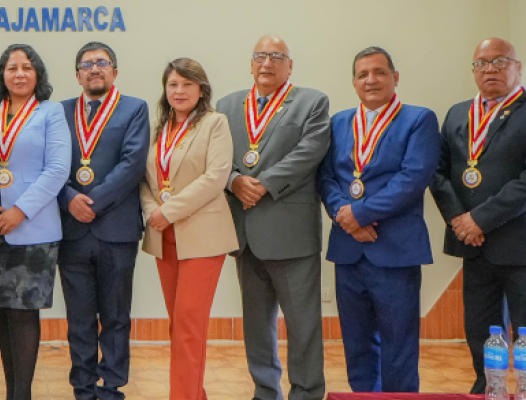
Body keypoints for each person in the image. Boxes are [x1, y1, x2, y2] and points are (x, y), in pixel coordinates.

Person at [216, 35, 330, 400]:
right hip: (245, 231)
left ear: (290, 65)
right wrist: (234, 180)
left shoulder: (312, 102)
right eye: (260, 56)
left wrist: (262, 184)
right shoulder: (227, 105)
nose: (267, 63)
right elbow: (217, 155)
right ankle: (265, 391)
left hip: (291, 233)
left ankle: (307, 392)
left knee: (303, 325)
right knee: (256, 324)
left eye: (277, 57)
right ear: (251, 64)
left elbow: (309, 153)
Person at [319, 47, 439, 392]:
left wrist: (359, 214)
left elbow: (413, 178)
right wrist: (346, 217)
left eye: (379, 72)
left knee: (398, 347)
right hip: (348, 250)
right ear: (354, 82)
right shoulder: (339, 122)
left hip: (395, 251)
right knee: (356, 345)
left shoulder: (419, 119)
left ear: (395, 77)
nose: (370, 80)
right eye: (362, 74)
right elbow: (326, 178)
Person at [0, 43, 72, 400]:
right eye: (12, 68)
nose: (19, 74)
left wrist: (20, 211)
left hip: (32, 229)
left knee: (24, 314)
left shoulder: (51, 113)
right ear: (2, 74)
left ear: (38, 74)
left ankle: (22, 395)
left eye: (27, 67)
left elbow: (58, 169)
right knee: (3, 314)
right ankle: (12, 390)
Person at [430, 37, 526, 393]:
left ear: (518, 67)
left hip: (518, 244)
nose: (490, 69)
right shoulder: (458, 113)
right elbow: (437, 172)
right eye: (481, 63)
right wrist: (459, 219)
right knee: (480, 329)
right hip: (474, 245)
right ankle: (488, 387)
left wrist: (480, 219)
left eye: (500, 61)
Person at [140, 58, 238, 400]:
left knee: (188, 327)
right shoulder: (157, 128)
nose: (179, 91)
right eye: (172, 84)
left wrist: (168, 211)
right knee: (178, 325)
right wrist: (155, 212)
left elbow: (216, 178)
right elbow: (145, 180)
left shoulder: (215, 123)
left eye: (187, 84)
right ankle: (194, 394)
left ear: (201, 89)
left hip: (202, 236)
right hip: (163, 235)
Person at [57, 42, 149, 400]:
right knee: (79, 319)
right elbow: (51, 165)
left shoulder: (134, 109)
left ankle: (111, 388)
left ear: (114, 72)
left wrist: (91, 203)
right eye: (87, 64)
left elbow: (133, 164)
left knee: (115, 317)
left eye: (102, 63)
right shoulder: (59, 112)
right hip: (72, 230)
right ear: (78, 74)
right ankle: (82, 388)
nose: (95, 68)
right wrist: (69, 199)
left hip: (117, 230)